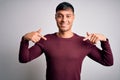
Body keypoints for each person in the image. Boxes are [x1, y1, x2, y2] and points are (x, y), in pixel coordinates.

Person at [19, 2, 113, 80]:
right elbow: (24, 59)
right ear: (55, 17)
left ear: (73, 17)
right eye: (60, 16)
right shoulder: (46, 40)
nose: (64, 20)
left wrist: (104, 41)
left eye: (68, 16)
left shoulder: (84, 42)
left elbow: (108, 62)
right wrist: (25, 40)